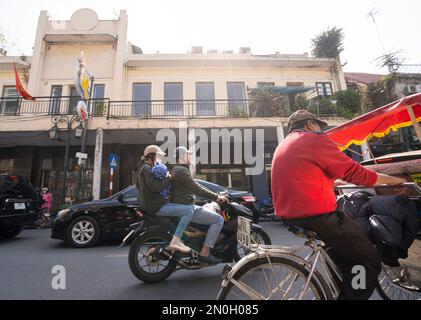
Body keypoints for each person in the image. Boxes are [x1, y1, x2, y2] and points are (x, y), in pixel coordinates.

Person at [271, 110, 406, 300]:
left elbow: (303, 177)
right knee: (369, 260)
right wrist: (391, 180)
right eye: (319, 126)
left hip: (292, 214)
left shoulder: (285, 144)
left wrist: (333, 183)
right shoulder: (313, 139)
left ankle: (345, 291)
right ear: (310, 124)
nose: (321, 131)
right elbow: (355, 173)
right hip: (319, 216)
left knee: (345, 260)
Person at [171, 146, 228, 265]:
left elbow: (196, 185)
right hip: (186, 208)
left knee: (208, 209)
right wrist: (217, 197)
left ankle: (200, 243)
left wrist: (214, 194)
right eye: (188, 154)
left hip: (185, 205)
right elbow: (196, 188)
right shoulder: (181, 170)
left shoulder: (178, 169)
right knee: (218, 219)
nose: (190, 157)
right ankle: (205, 253)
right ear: (182, 156)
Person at [137, 145, 194, 253]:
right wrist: (169, 178)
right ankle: (176, 241)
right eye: (158, 156)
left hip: (154, 204)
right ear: (151, 156)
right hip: (156, 206)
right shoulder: (147, 168)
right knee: (188, 211)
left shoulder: (145, 168)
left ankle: (179, 240)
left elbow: (139, 186)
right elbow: (156, 187)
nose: (160, 159)